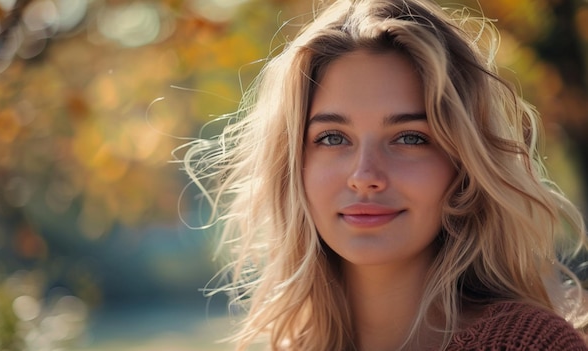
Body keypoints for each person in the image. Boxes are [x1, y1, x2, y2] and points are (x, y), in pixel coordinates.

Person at [182, 0, 588, 349]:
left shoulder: (525, 344)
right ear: (291, 167)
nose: (364, 175)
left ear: (464, 166)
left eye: (410, 138)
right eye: (332, 138)